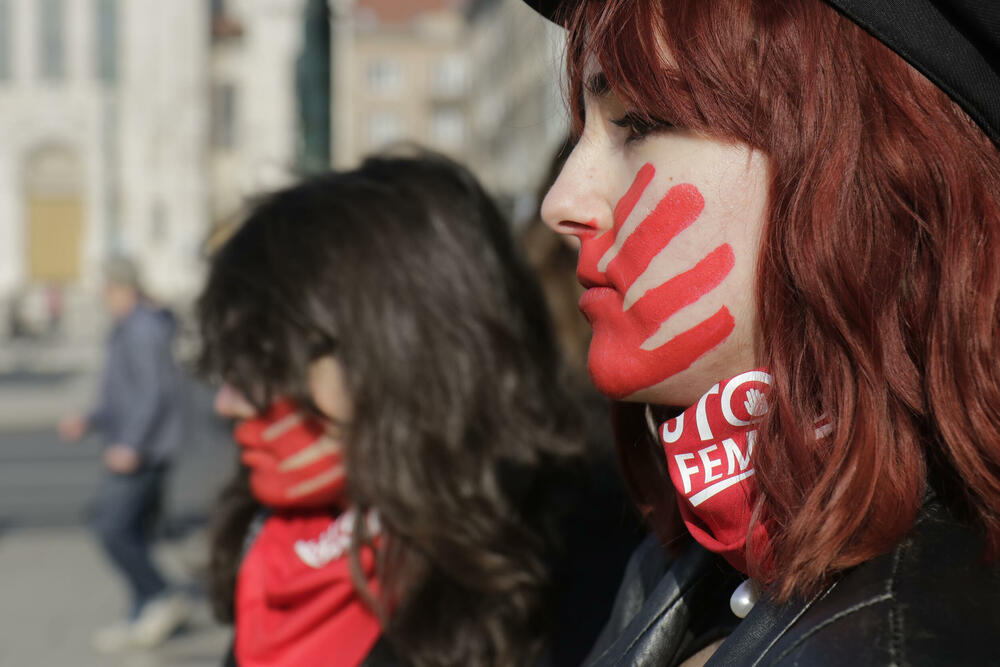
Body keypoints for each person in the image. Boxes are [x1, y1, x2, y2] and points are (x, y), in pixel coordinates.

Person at [520, 0, 1000, 665]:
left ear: (865, 174)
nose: (561, 202)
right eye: (584, 130)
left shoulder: (910, 639)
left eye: (638, 123)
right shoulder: (698, 557)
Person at [197, 151, 643, 666]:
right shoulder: (279, 542)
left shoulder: (590, 565)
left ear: (406, 353)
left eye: (273, 361)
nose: (230, 401)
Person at [59, 256, 191, 652]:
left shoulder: (142, 328)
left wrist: (132, 443)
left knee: (112, 527)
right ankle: (143, 611)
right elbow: (122, 394)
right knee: (133, 530)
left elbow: (154, 393)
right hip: (135, 444)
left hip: (144, 450)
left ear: (120, 287)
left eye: (105, 286)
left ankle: (161, 595)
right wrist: (91, 419)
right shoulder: (125, 327)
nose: (101, 294)